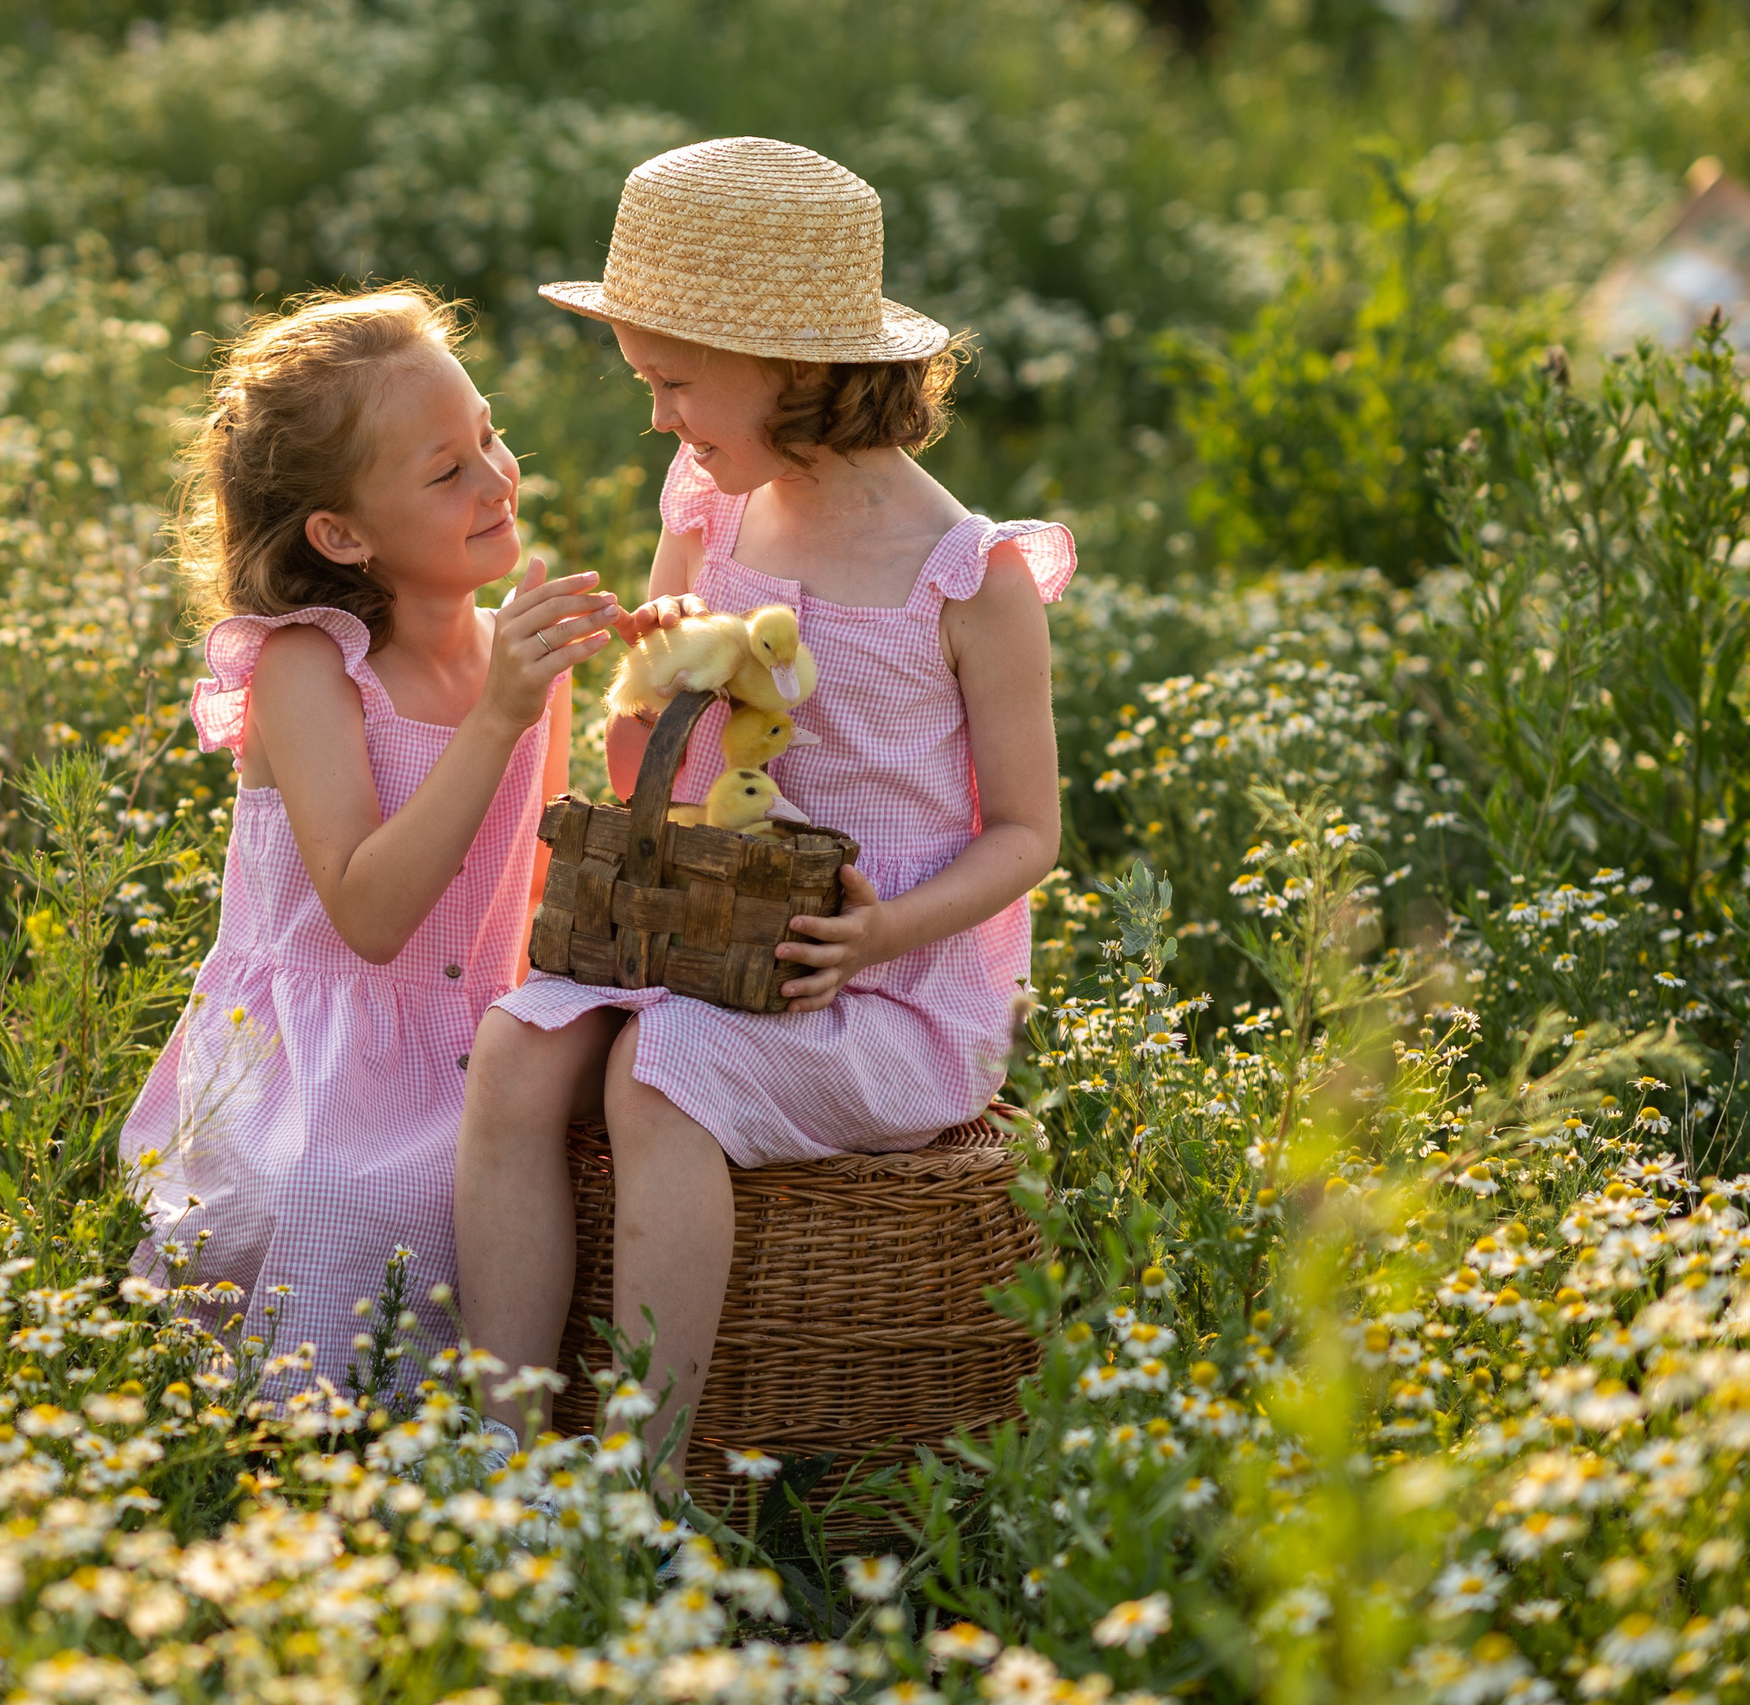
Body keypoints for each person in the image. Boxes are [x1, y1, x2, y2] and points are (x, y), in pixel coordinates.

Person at [455, 138, 1076, 1483]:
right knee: (513, 1048)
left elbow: (1030, 833)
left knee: (659, 1070)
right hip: (693, 926)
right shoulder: (710, 506)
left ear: (790, 370)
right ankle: (497, 1445)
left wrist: (882, 931)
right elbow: (646, 765)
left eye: (674, 383)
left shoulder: (967, 577)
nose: (658, 418)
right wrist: (643, 680)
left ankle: (641, 1477)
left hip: (877, 981)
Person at [121, 285, 620, 1401]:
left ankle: (524, 1424)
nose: (496, 477)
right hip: (323, 1056)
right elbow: (370, 916)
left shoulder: (514, 659)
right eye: (446, 472)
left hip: (479, 1037)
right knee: (357, 1197)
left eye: (490, 434)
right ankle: (334, 1430)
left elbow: (533, 892)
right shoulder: (309, 666)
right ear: (342, 535)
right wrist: (498, 715)